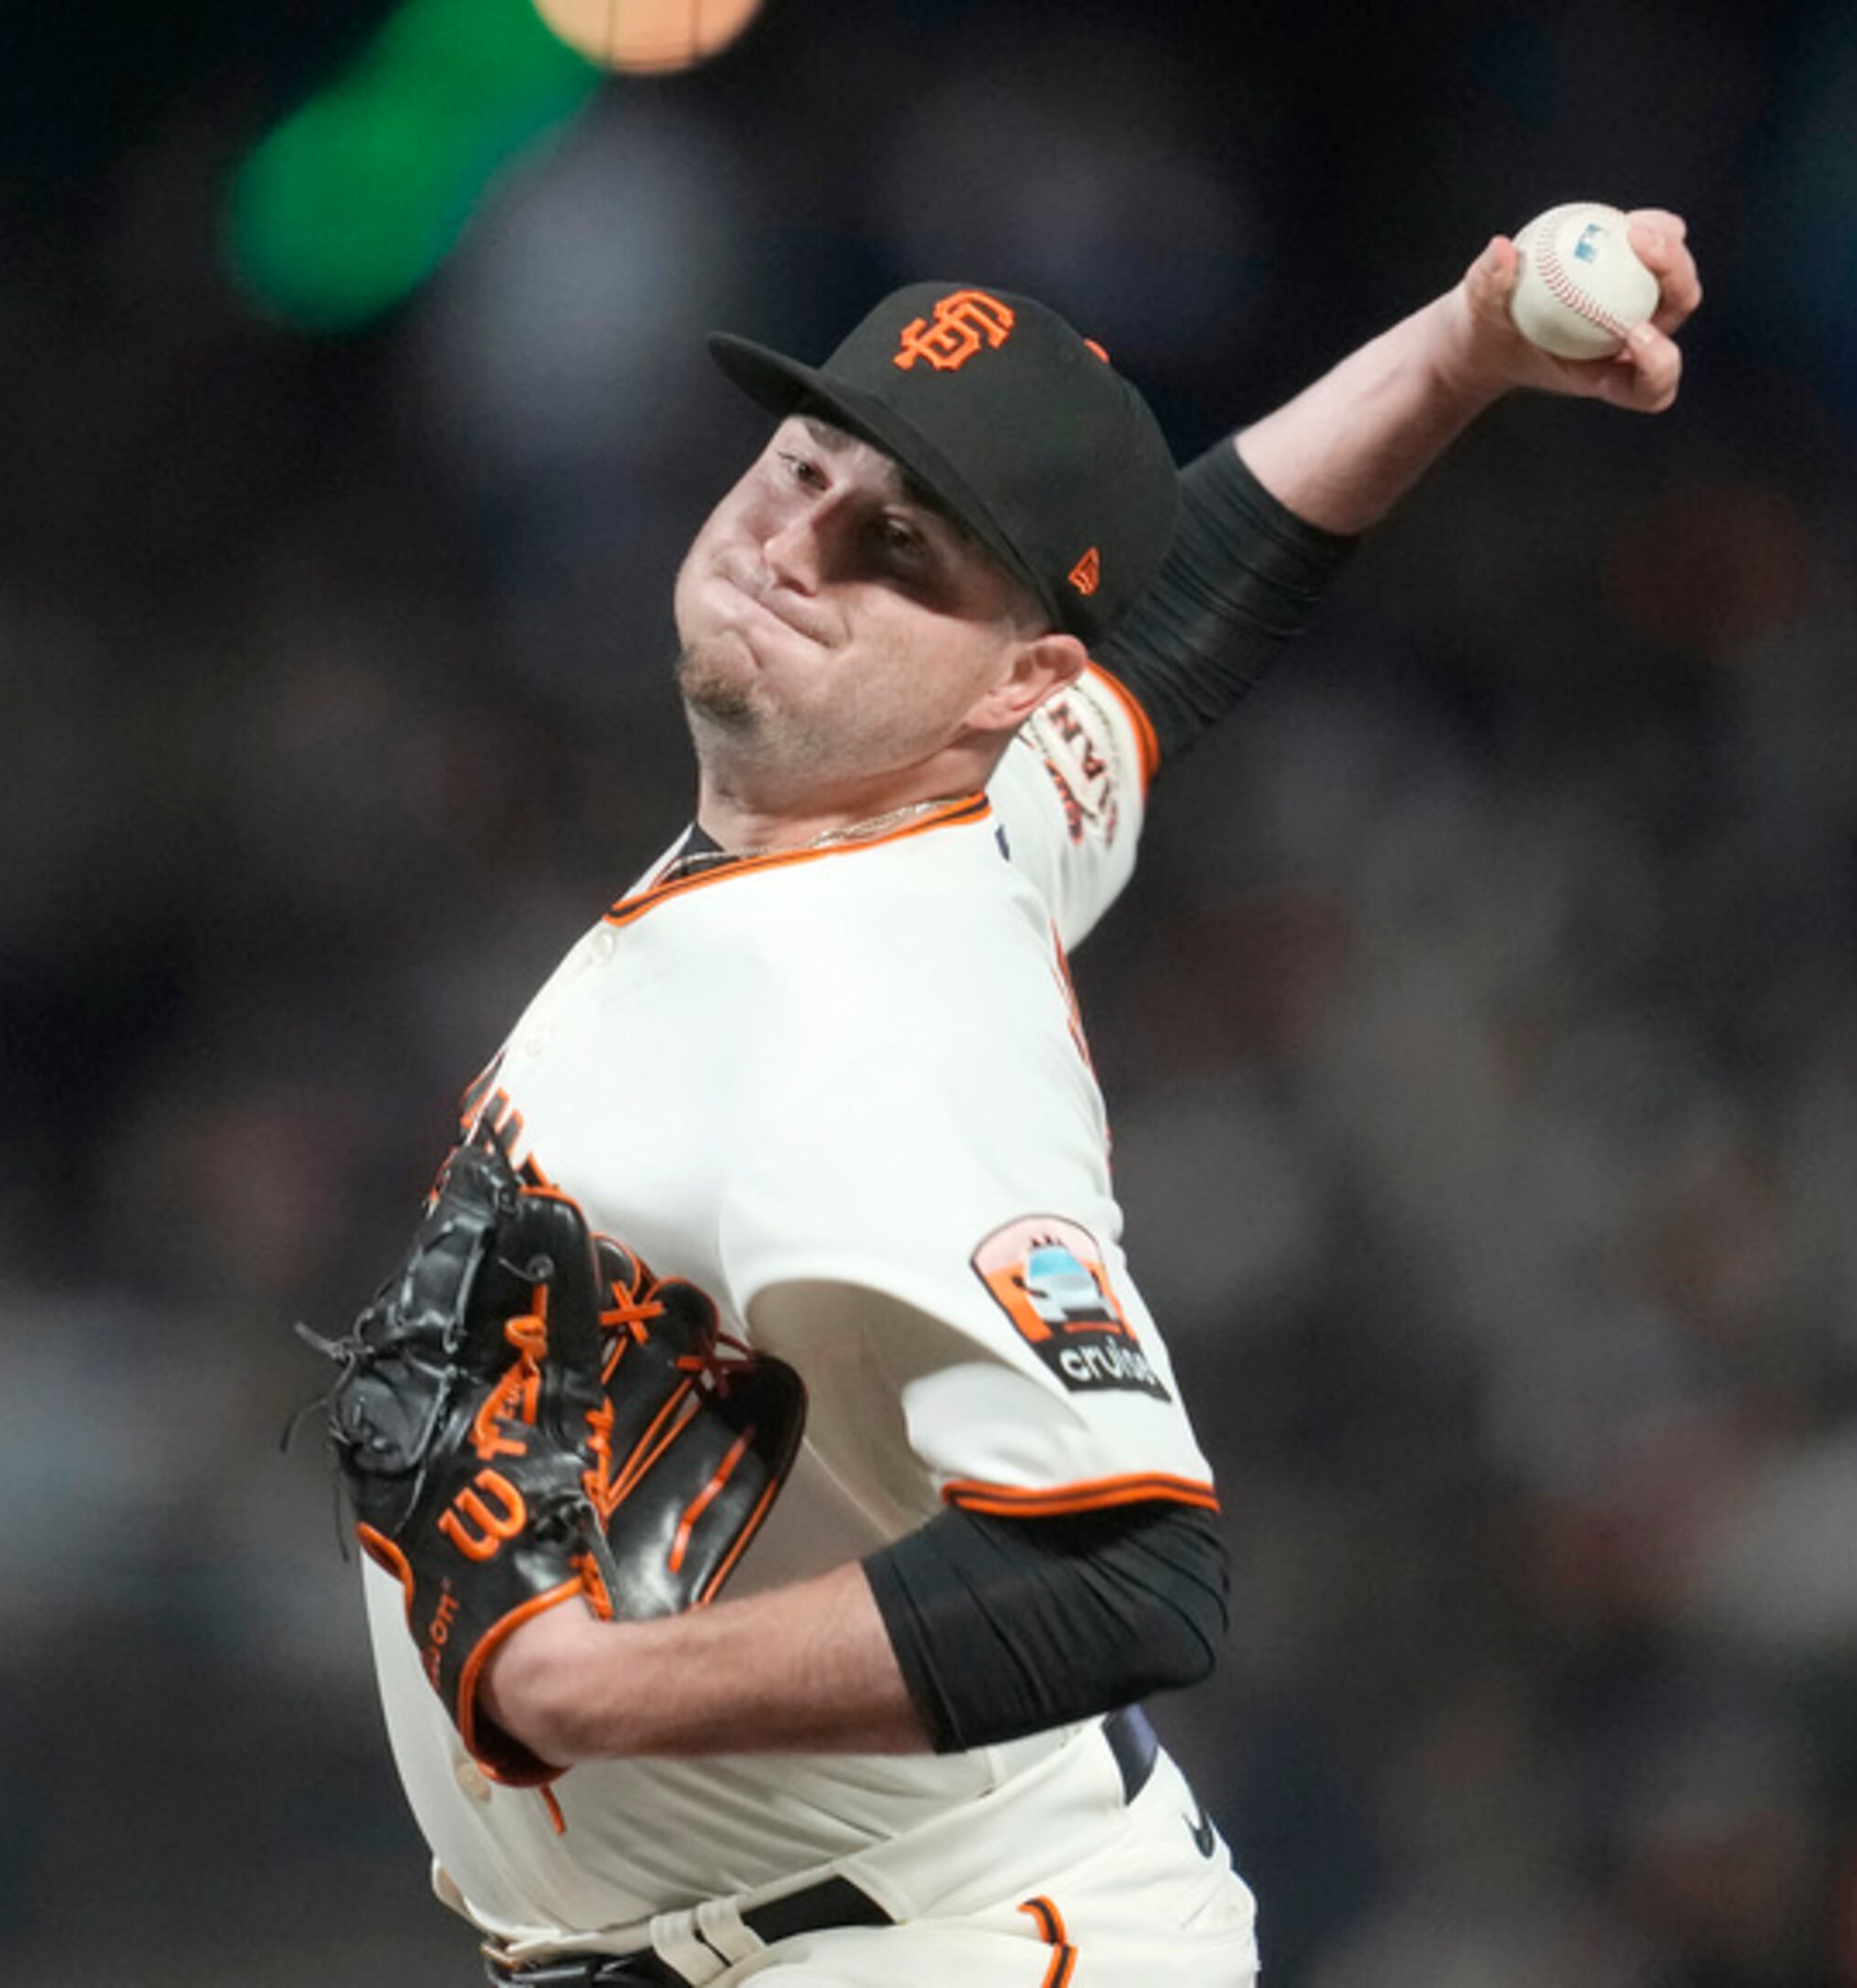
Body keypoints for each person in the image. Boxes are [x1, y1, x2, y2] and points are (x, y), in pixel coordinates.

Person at [352, 214, 1702, 1987]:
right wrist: (1457, 349)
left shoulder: (884, 1021)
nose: (793, 545)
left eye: (891, 547)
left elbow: (1123, 1575)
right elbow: (1186, 609)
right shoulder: (947, 799)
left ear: (1016, 681)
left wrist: (569, 1684)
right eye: (801, 466)